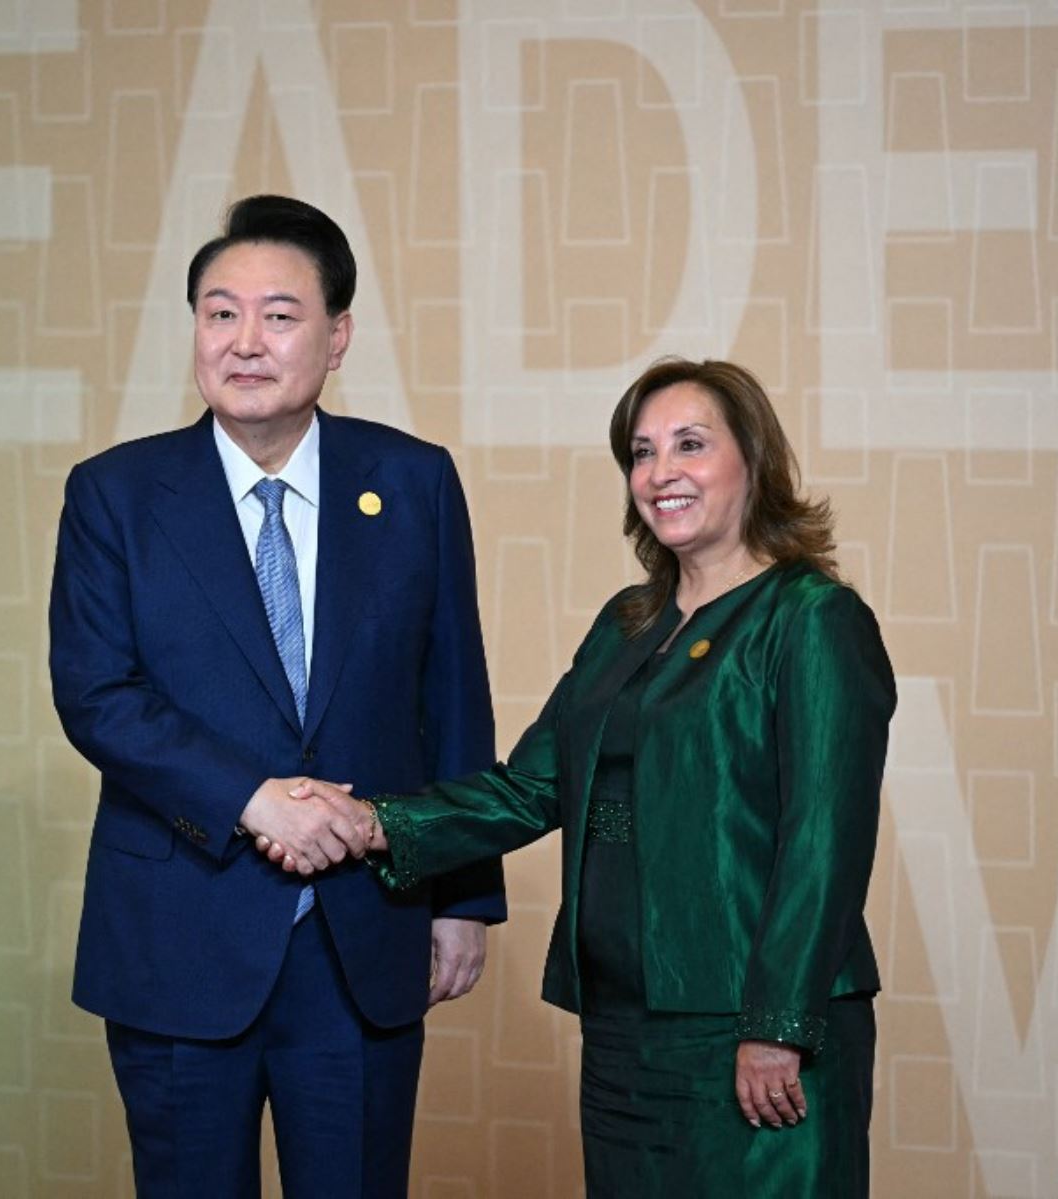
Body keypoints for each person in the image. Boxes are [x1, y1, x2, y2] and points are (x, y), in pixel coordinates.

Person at [277, 358, 894, 1196]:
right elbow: (530, 788)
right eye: (641, 452)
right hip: (623, 1027)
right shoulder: (626, 624)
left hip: (747, 1028)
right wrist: (374, 819)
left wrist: (778, 1026)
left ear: (753, 458)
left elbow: (824, 840)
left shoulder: (811, 619)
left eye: (690, 444)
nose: (660, 472)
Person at [49, 194, 505, 1199]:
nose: (244, 341)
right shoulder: (116, 494)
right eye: (220, 313)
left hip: (362, 931)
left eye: (279, 314)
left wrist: (462, 892)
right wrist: (254, 796)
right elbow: (97, 693)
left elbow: (452, 693)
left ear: (336, 336)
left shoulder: (412, 481)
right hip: (180, 930)